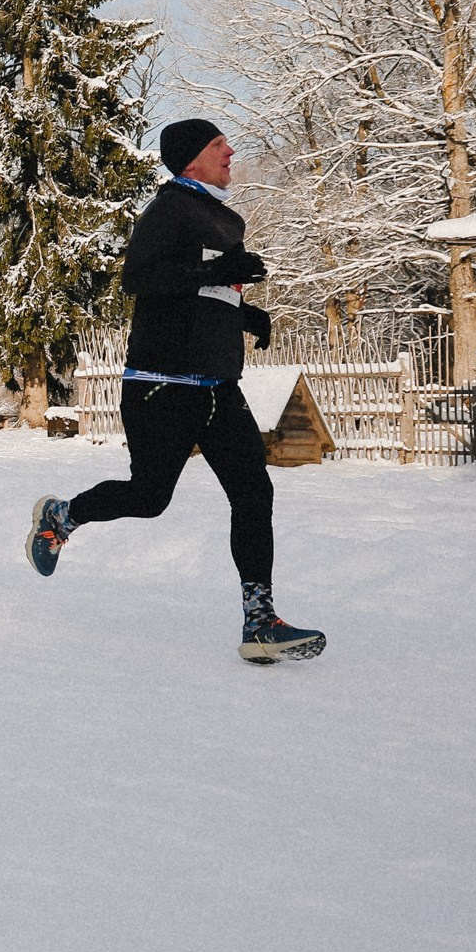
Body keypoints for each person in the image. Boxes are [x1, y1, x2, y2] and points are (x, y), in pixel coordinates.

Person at [27, 119, 322, 664]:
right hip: (162, 387)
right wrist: (219, 271)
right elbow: (141, 278)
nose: (230, 150)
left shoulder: (222, 215)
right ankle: (61, 518)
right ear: (190, 160)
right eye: (218, 145)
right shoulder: (169, 207)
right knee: (149, 497)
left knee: (254, 493)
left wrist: (244, 311)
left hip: (216, 387)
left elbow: (200, 289)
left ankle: (259, 621)